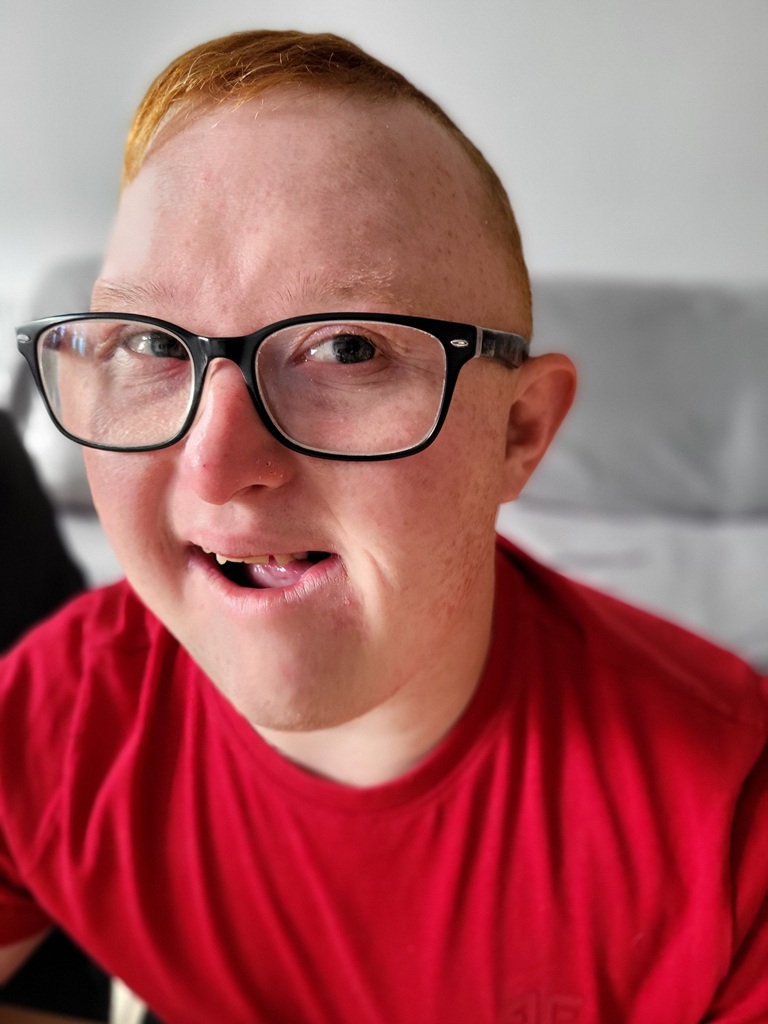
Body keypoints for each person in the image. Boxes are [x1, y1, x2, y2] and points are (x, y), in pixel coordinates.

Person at [1, 29, 766, 1024]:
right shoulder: (54, 718)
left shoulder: (733, 827)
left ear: (519, 432)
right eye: (153, 342)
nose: (214, 466)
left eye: (349, 349)